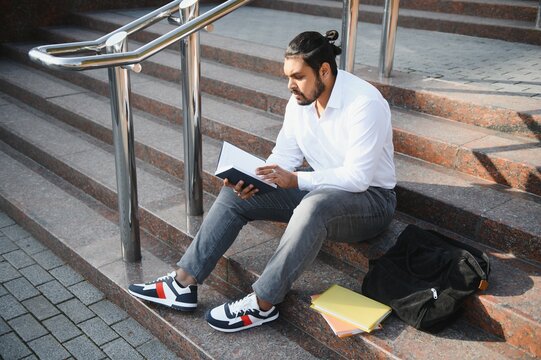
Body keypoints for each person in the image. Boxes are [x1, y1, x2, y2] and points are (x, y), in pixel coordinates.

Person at [128, 30, 397, 333]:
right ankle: (182, 283)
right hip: (321, 190)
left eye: (298, 77)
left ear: (324, 70)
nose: (290, 86)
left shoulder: (365, 103)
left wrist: (295, 180)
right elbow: (283, 156)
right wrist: (253, 179)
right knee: (234, 195)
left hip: (371, 201)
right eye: (287, 77)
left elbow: (358, 177)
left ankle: (262, 303)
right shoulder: (299, 103)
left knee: (312, 207)